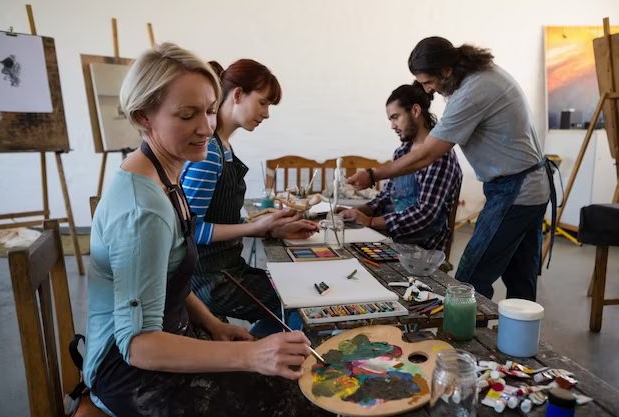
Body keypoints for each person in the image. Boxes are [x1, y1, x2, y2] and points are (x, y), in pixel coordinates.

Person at [82, 42, 332, 417]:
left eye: (211, 111)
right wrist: (249, 354)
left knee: (300, 380)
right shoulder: (143, 210)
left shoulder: (167, 176)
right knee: (304, 401)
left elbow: (168, 281)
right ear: (143, 117)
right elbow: (138, 344)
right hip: (127, 372)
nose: (206, 127)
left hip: (171, 336)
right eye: (186, 115)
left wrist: (213, 324)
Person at [347, 37, 556, 302]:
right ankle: (521, 340)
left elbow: (427, 156)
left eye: (427, 82)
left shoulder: (474, 90)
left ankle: (468, 341)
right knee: (520, 276)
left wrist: (373, 175)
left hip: (517, 190)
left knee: (471, 277)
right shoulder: (480, 77)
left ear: (446, 71)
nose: (427, 90)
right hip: (528, 185)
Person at [180, 59, 318, 334]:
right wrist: (258, 227)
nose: (266, 114)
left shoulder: (222, 148)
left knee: (298, 290)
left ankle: (252, 350)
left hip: (227, 270)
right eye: (263, 102)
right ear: (238, 94)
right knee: (303, 302)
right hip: (209, 282)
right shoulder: (208, 154)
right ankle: (252, 357)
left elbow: (218, 218)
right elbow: (189, 229)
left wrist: (273, 230)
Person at [339, 82, 462, 252]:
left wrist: (370, 222)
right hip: (391, 236)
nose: (392, 126)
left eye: (395, 117)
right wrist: (353, 212)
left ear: (415, 111)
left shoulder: (441, 156)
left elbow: (425, 215)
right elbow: (387, 196)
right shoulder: (402, 152)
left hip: (421, 248)